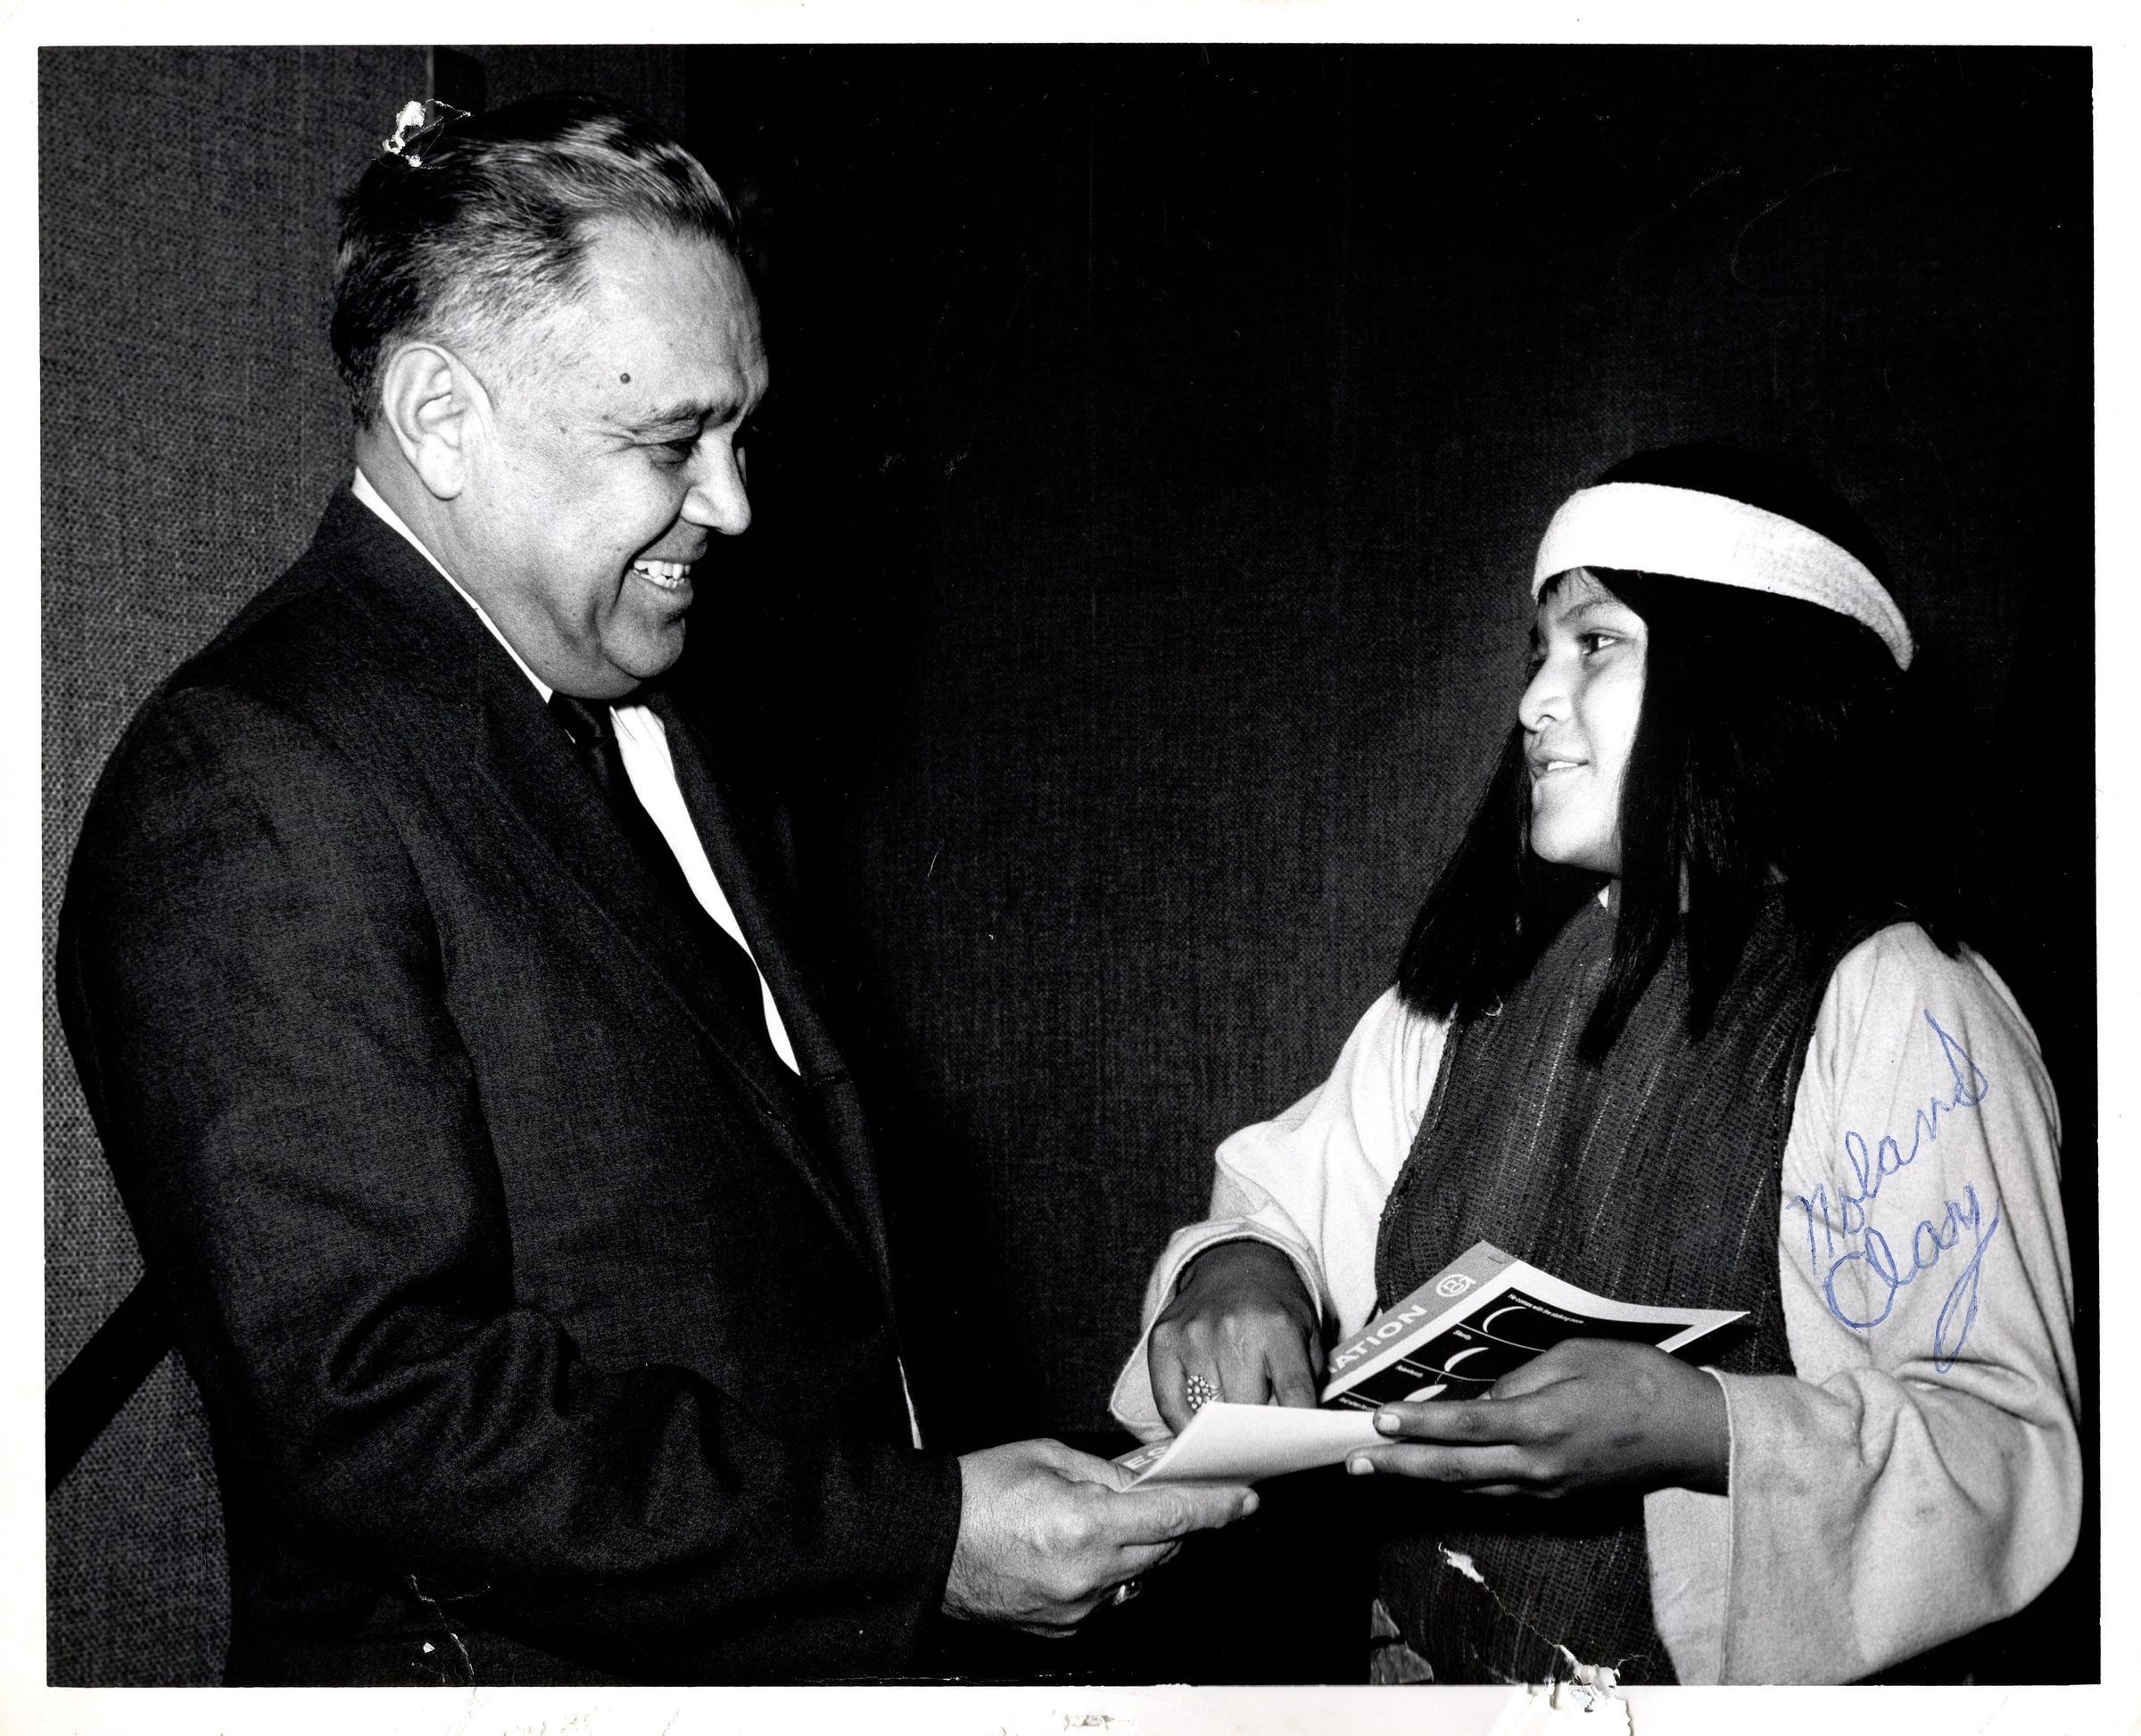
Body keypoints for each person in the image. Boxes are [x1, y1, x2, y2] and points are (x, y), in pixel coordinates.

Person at [56, 91, 1253, 1688]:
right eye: (672, 441)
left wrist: (930, 1518)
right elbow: (380, 1407)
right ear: (439, 415)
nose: (736, 503)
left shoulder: (636, 708)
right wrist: (921, 1537)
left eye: (739, 434)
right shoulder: (254, 775)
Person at [1110, 443, 2080, 1685]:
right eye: (1539, 652)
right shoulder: (1483, 982)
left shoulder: (1906, 1003)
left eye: (1596, 643)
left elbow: (2009, 1453)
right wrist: (1241, 1269)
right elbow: (1289, 1205)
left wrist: (1703, 1427)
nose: (1532, 701)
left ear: (1745, 673)